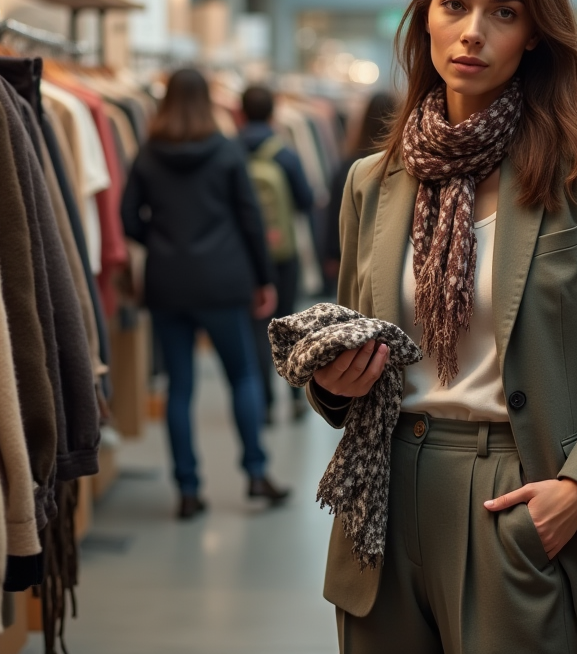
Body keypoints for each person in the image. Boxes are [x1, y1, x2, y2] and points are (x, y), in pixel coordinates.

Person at [309, 0, 577, 653]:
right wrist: (332, 385)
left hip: (511, 489)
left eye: (504, 12)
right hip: (381, 497)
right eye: (455, 4)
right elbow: (354, 345)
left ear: (534, 32)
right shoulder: (373, 181)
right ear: (426, 17)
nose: (473, 31)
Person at [121, 68, 290, 520]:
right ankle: (256, 473)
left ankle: (188, 490)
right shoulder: (226, 150)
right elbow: (251, 218)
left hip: (167, 283)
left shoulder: (148, 154)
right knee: (243, 376)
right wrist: (264, 279)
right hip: (223, 280)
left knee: (179, 388)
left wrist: (161, 241)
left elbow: (128, 218)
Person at [239, 85, 315, 422]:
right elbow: (306, 200)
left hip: (245, 255)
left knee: (256, 328)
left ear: (241, 113)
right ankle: (295, 396)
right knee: (288, 323)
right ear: (272, 113)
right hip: (283, 252)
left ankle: (266, 403)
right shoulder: (285, 155)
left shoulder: (230, 153)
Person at [321, 91, 396, 283]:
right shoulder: (403, 168)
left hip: (354, 253)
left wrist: (332, 254)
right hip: (390, 256)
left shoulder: (350, 166)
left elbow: (335, 212)